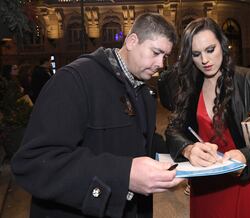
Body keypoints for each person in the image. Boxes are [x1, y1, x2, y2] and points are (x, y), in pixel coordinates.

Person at [11, 12, 183, 218]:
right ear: (132, 41)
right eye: (156, 52)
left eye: (165, 56)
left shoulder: (144, 92)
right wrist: (123, 174)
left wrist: (184, 152)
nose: (161, 64)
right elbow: (33, 163)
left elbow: (145, 142)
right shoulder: (74, 81)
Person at [165, 17, 250, 218]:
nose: (205, 60)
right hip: (206, 188)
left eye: (210, 49)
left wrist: (246, 156)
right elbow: (173, 131)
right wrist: (188, 149)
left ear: (222, 45)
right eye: (196, 54)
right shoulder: (189, 86)